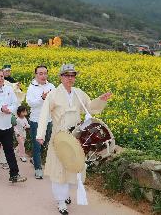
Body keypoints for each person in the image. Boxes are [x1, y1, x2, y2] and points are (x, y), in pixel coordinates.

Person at [36, 64, 112, 215]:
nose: (70, 78)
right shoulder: (53, 94)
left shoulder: (79, 93)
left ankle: (66, 195)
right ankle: (61, 201)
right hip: (60, 138)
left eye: (72, 76)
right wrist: (40, 134)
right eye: (67, 75)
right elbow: (44, 114)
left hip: (76, 138)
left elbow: (90, 107)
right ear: (61, 77)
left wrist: (100, 100)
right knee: (59, 169)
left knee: (73, 167)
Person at [0, 69, 27, 183]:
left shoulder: (8, 89)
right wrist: (1, 109)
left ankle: (14, 174)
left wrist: (9, 110)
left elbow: (15, 103)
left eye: (2, 76)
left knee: (9, 151)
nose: (0, 78)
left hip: (7, 126)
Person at [26, 65, 55, 179]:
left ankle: (34, 159)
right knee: (37, 145)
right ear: (36, 75)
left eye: (45, 73)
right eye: (40, 73)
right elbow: (30, 103)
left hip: (48, 120)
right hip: (36, 121)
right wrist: (42, 98)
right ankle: (38, 168)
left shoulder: (51, 86)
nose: (43, 76)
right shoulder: (32, 87)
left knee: (45, 142)